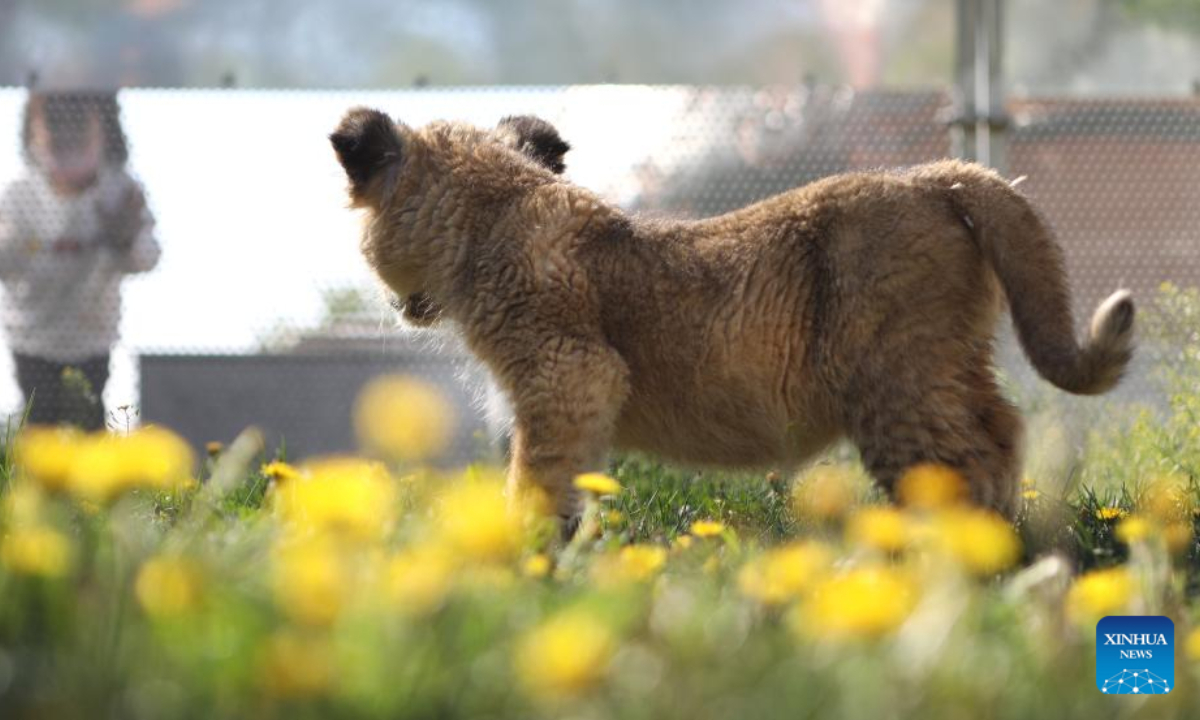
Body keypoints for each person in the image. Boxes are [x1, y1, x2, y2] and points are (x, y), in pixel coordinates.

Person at [0, 90, 160, 430]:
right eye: (53, 123)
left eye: (76, 122)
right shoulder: (19, 194)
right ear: (33, 134)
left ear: (103, 130)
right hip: (32, 337)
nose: (64, 133)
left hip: (92, 339)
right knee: (37, 426)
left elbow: (148, 258)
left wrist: (124, 237)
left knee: (88, 419)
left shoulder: (118, 192)